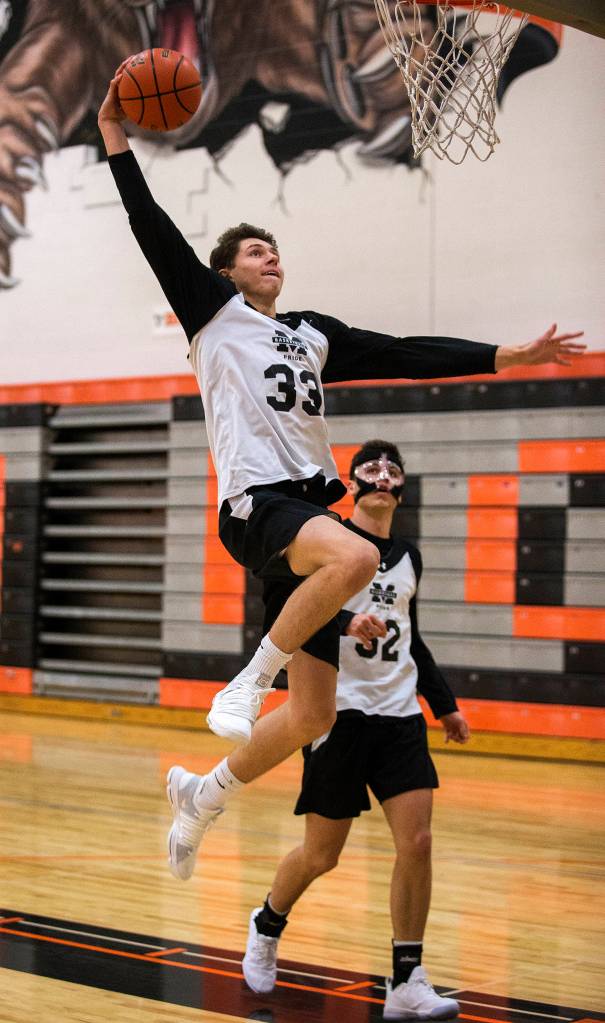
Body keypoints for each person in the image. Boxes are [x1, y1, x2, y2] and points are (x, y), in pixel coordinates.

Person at [97, 64, 585, 883]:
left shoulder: (312, 333)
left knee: (316, 710)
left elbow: (403, 352)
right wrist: (114, 135)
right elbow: (149, 224)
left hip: (310, 514)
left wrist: (509, 356)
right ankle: (245, 681)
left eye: (275, 248)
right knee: (360, 555)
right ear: (225, 273)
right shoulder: (211, 316)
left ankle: (202, 795)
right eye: (255, 250)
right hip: (259, 504)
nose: (271, 255)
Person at [241, 440, 466, 1021]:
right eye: (373, 468)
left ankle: (406, 979)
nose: (384, 475)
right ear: (353, 481)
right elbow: (287, 609)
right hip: (337, 713)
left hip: (399, 717)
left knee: (417, 843)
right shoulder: (326, 540)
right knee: (322, 854)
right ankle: (267, 924)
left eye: (394, 469)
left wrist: (444, 706)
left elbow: (411, 637)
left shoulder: (411, 557)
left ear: (402, 487)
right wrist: (345, 620)